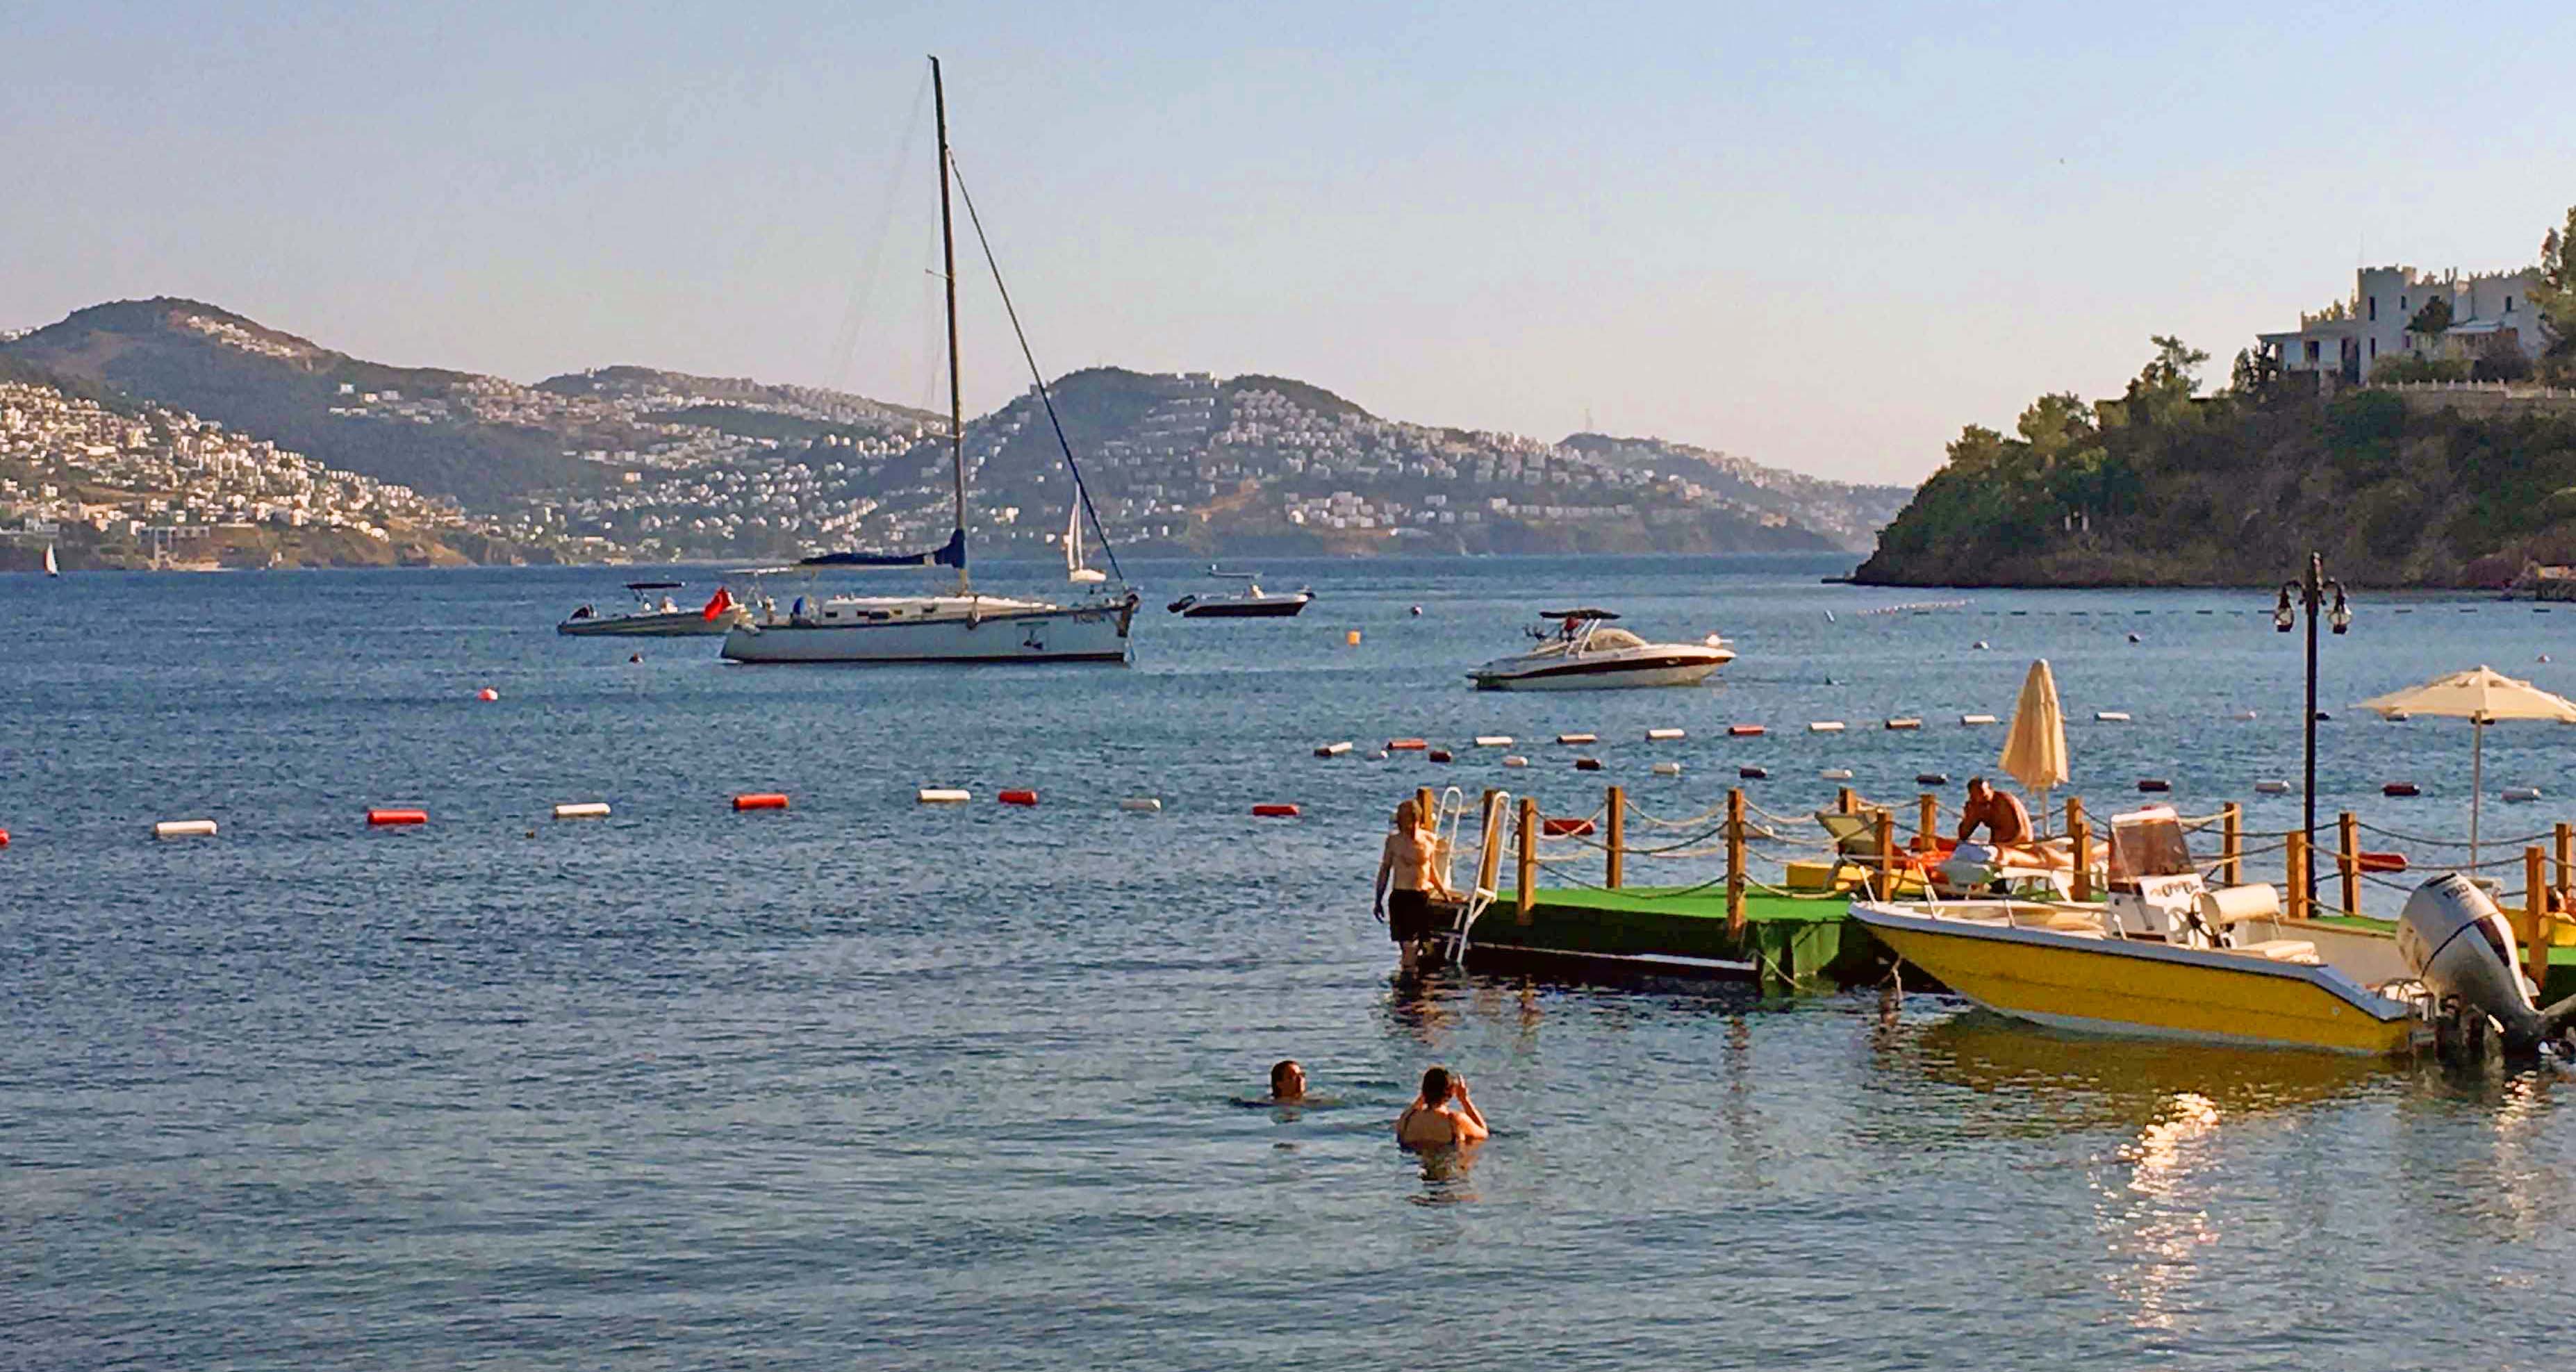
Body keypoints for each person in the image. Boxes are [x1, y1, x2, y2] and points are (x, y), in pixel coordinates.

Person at [1375, 800, 1458, 970]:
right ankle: (1406, 983)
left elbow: (1432, 870)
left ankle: (1413, 982)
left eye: (1410, 821)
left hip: (1421, 896)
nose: (1407, 826)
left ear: (1417, 820)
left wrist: (1444, 893)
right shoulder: (1394, 841)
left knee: (1420, 945)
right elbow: (1385, 870)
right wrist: (1378, 900)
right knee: (1407, 946)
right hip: (1401, 896)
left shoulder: (1429, 840)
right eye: (1403, 822)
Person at [1395, 1065, 1488, 1147]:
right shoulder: (1455, 1121)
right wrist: (1464, 1100)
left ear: (1424, 1090)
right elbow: (1484, 1133)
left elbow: (1413, 1109)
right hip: (1447, 1162)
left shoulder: (1407, 1119)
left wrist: (1424, 1096)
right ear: (1451, 1092)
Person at [1955, 776, 2033, 845]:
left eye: (1984, 795)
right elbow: (1963, 835)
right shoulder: (1978, 805)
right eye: (1975, 796)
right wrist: (1968, 816)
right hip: (1999, 846)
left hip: (2017, 844)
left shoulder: (2003, 803)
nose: (1981, 798)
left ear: (1991, 790)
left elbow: (2019, 833)